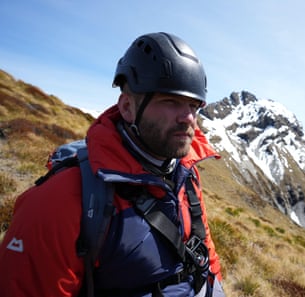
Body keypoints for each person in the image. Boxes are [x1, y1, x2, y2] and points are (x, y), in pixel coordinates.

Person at [0, 32, 225, 297]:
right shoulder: (62, 201)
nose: (188, 117)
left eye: (194, 105)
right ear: (128, 107)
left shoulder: (186, 175)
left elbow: (205, 255)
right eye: (170, 101)